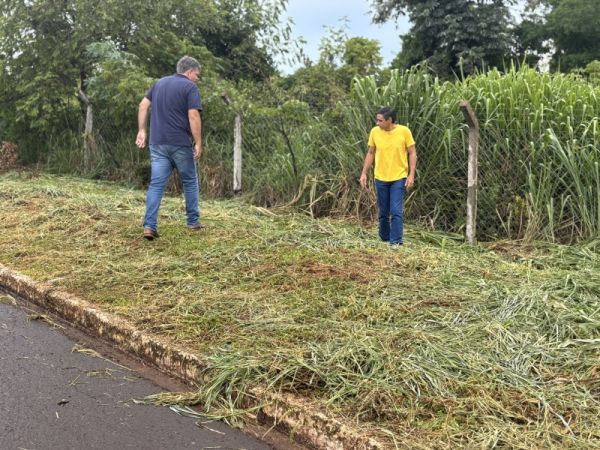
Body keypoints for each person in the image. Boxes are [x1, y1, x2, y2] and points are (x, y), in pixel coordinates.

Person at [135, 55, 204, 240]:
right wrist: (198, 142)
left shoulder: (159, 83)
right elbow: (193, 116)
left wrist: (142, 130)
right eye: (197, 75)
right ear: (189, 72)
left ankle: (149, 226)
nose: (197, 79)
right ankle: (193, 221)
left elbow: (143, 105)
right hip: (180, 143)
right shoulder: (190, 87)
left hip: (157, 143)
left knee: (156, 184)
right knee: (190, 180)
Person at [359, 107, 417, 245]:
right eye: (377, 120)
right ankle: (385, 238)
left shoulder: (404, 131)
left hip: (398, 177)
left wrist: (411, 175)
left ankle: (396, 241)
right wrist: (364, 173)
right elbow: (371, 153)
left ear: (389, 120)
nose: (377, 123)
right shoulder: (375, 132)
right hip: (380, 177)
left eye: (380, 120)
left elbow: (412, 153)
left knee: (396, 211)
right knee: (383, 211)